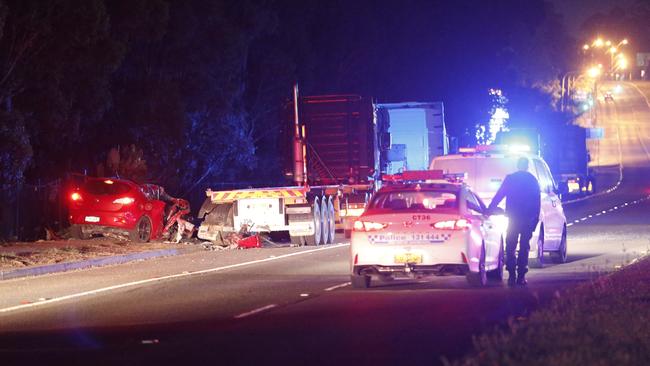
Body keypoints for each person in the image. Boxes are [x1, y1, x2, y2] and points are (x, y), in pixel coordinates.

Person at [488, 157, 541, 286]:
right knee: (524, 246)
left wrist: (490, 208)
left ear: (518, 165)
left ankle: (512, 274)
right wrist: (535, 219)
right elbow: (537, 201)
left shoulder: (510, 179)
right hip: (527, 218)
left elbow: (500, 195)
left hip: (513, 217)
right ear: (527, 166)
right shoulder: (532, 180)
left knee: (510, 245)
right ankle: (521, 275)